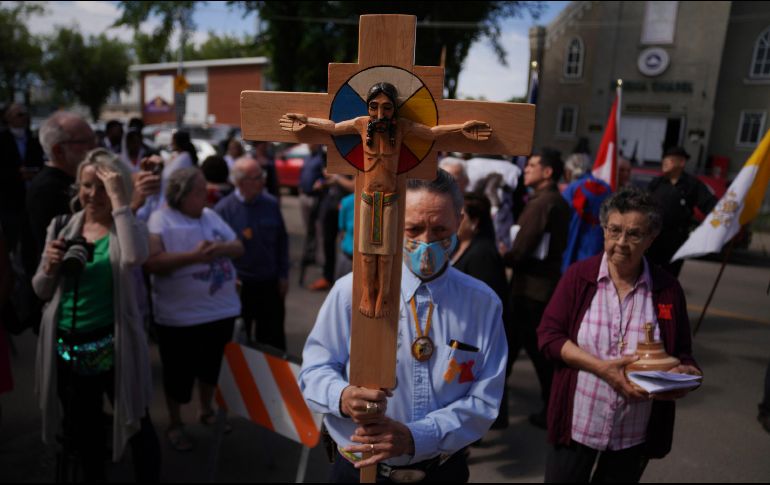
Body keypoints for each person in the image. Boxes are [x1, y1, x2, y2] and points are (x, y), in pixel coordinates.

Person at [299, 169, 507, 482]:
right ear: (395, 223)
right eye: (414, 229)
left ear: (459, 222)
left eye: (439, 230)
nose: (426, 242)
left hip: (440, 471)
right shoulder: (352, 292)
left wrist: (415, 437)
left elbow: (485, 399)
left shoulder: (483, 304)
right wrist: (343, 397)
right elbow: (314, 371)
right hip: (359, 470)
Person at [281, 81, 491, 318]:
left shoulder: (401, 128)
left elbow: (431, 133)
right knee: (367, 251)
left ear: (394, 109)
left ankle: (383, 295)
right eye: (374, 107)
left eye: (387, 107)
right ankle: (368, 293)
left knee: (387, 251)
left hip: (390, 198)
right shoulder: (362, 124)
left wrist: (462, 129)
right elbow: (335, 128)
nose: (380, 114)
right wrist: (307, 121)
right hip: (368, 197)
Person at [537, 186, 701, 483]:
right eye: (614, 231)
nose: (622, 242)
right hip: (579, 424)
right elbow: (549, 336)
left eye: (634, 234)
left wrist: (684, 375)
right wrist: (601, 368)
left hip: (633, 433)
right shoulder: (578, 277)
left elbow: (683, 353)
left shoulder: (667, 289)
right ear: (604, 230)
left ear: (651, 238)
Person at [32, 148, 159, 481]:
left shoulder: (128, 228)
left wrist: (120, 201)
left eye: (103, 188)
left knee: (136, 421)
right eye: (87, 186)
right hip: (67, 345)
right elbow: (41, 291)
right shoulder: (62, 226)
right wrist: (49, 267)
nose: (93, 195)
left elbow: (132, 258)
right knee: (85, 430)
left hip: (114, 347)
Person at [144, 167, 243, 451]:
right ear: (182, 195)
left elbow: (238, 247)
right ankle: (175, 423)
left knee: (212, 368)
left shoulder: (210, 215)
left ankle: (206, 409)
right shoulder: (160, 220)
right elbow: (153, 263)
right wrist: (194, 256)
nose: (206, 195)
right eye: (199, 191)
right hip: (180, 318)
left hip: (220, 312)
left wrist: (219, 249)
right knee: (178, 374)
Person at [502, 148, 570, 429]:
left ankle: (554, 409)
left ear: (548, 172)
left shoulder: (543, 203)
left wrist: (504, 254)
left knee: (535, 352)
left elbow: (521, 250)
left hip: (531, 289)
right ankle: (498, 409)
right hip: (537, 287)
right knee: (511, 350)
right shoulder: (553, 201)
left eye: (532, 165)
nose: (526, 169)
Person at [451, 192, 511, 429]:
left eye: (460, 216)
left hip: (472, 334)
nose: (455, 221)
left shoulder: (482, 253)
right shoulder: (462, 245)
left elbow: (486, 301)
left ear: (474, 221)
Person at [215, 157, 289, 350]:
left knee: (273, 343)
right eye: (256, 177)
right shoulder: (223, 210)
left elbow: (282, 241)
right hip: (240, 288)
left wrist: (283, 274)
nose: (263, 180)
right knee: (239, 345)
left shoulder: (270, 204)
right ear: (241, 182)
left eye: (262, 175)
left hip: (269, 284)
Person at [27, 112, 97, 268]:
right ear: (58, 150)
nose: (95, 147)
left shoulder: (74, 178)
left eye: (95, 139)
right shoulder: (46, 190)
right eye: (85, 142)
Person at [646, 147, 717, 277]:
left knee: (669, 278)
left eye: (670, 160)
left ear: (682, 162)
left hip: (676, 241)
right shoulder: (656, 183)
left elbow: (711, 206)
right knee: (648, 275)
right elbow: (642, 206)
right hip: (653, 239)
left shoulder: (692, 184)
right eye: (664, 161)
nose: (665, 163)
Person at [561, 153, 612, 273]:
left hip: (574, 243)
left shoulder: (572, 188)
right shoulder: (607, 188)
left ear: (570, 171)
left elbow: (561, 217)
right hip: (599, 243)